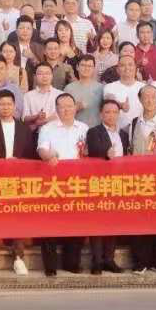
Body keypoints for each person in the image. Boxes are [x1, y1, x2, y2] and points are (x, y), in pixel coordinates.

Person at [0, 90, 32, 276]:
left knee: (17, 217)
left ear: (15, 106)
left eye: (9, 104)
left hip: (18, 179)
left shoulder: (24, 128)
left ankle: (18, 258)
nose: (6, 107)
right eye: (2, 104)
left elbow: (30, 155)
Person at [37, 93, 90, 276]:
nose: (66, 109)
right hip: (54, 183)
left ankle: (72, 263)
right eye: (62, 106)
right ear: (56, 109)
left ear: (75, 107)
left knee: (75, 224)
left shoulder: (84, 128)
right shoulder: (48, 128)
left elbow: (89, 152)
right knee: (49, 225)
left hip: (77, 183)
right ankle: (50, 266)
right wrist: (49, 156)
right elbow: (42, 149)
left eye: (69, 106)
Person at [127, 84, 156, 274]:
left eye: (153, 96)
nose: (149, 100)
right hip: (138, 180)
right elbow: (130, 149)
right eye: (145, 97)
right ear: (140, 99)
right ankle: (140, 262)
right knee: (139, 221)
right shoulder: (134, 123)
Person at [85, 99, 131, 274]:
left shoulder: (124, 134)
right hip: (99, 183)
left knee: (113, 222)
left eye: (114, 112)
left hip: (119, 183)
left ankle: (109, 259)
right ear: (101, 114)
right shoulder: (94, 132)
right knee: (97, 222)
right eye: (107, 112)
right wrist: (106, 153)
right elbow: (94, 150)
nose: (111, 115)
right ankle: (97, 261)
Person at [104, 54, 145, 130]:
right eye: (123, 65)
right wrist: (120, 105)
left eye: (130, 65)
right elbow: (109, 100)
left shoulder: (144, 87)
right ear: (117, 69)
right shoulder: (109, 87)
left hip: (140, 131)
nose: (127, 68)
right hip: (117, 132)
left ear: (136, 68)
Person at [23, 63, 62, 133]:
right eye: (40, 74)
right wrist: (36, 116)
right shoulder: (28, 96)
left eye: (47, 73)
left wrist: (40, 122)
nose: (44, 76)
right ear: (35, 76)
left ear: (52, 76)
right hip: (35, 134)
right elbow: (24, 118)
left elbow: (61, 115)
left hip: (56, 133)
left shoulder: (60, 95)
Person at [68, 54, 105, 128]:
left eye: (89, 66)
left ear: (94, 68)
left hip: (95, 129)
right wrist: (75, 108)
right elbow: (63, 112)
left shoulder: (101, 88)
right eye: (83, 65)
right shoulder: (69, 88)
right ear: (77, 67)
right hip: (75, 129)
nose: (86, 68)